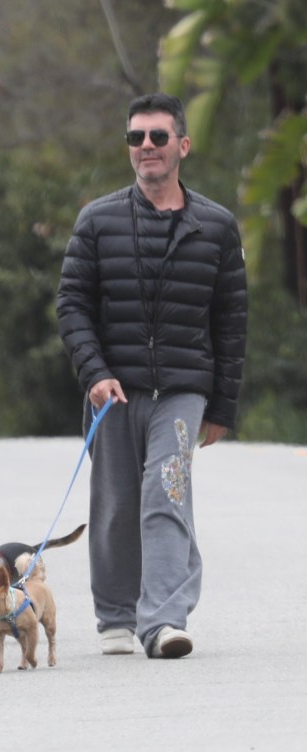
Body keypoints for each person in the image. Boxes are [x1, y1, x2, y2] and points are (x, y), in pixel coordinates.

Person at [56, 93, 247, 659]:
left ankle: (163, 620)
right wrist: (94, 373)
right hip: (113, 390)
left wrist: (223, 409)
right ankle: (116, 614)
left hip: (184, 391)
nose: (145, 147)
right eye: (135, 138)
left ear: (181, 146)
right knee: (116, 504)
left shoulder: (216, 226)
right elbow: (71, 305)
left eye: (158, 137)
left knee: (166, 494)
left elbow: (232, 323)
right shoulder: (98, 219)